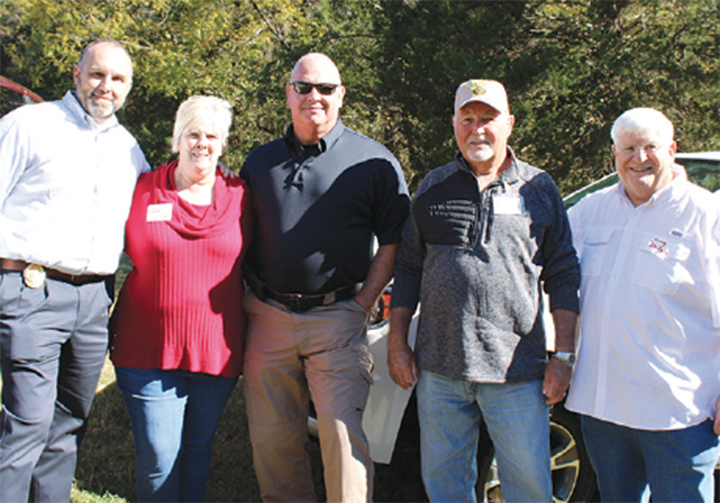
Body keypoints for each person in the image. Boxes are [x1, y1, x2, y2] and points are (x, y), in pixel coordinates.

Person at [388, 79, 581, 502]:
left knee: (528, 486)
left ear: (509, 123)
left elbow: (564, 272)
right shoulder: (433, 186)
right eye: (468, 119)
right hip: (438, 370)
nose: (478, 129)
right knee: (445, 485)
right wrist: (398, 343)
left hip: (516, 373)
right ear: (454, 124)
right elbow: (408, 266)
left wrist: (564, 357)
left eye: (488, 119)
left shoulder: (538, 187)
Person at [240, 52, 410, 502]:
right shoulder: (259, 163)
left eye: (325, 88)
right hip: (267, 316)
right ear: (288, 94)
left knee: (342, 437)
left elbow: (395, 241)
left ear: (341, 96)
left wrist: (363, 303)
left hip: (337, 317)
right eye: (303, 87)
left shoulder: (374, 162)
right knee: (272, 440)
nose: (314, 96)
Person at [0, 39, 150, 502]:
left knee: (69, 422)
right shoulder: (29, 124)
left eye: (118, 79)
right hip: (31, 290)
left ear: (128, 87)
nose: (106, 86)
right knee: (28, 423)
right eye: (97, 74)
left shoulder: (129, 149)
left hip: (93, 303)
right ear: (76, 74)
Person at [565, 107, 720, 503]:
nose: (639, 158)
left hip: (677, 412)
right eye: (629, 148)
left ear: (672, 150)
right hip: (603, 409)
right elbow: (536, 254)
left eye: (650, 147)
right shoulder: (590, 211)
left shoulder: (705, 215)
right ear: (613, 153)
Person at [109, 95, 251, 502]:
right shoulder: (142, 190)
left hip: (215, 351)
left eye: (211, 135)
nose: (201, 143)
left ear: (223, 143)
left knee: (196, 450)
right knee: (159, 455)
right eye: (192, 133)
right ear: (177, 139)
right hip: (145, 349)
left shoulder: (242, 198)